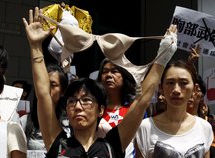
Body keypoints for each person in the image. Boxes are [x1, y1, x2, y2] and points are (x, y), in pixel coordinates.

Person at [23, 7, 177, 157]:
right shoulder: (57, 143)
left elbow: (142, 101)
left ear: (101, 110)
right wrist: (36, 46)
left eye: (86, 100)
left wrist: (163, 56)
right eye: (72, 101)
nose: (78, 107)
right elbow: (43, 94)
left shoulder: (112, 146)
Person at [134, 60, 213, 157]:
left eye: (183, 83)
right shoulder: (145, 127)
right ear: (161, 88)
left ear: (195, 89)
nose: (176, 90)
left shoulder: (204, 127)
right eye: (170, 83)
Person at [20, 63, 68, 157]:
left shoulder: (70, 123)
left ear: (63, 91)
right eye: (44, 84)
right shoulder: (24, 122)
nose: (46, 89)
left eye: (53, 85)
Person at [96, 58, 137, 157]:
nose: (109, 75)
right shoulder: (94, 109)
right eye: (104, 72)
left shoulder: (133, 109)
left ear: (124, 76)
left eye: (114, 71)